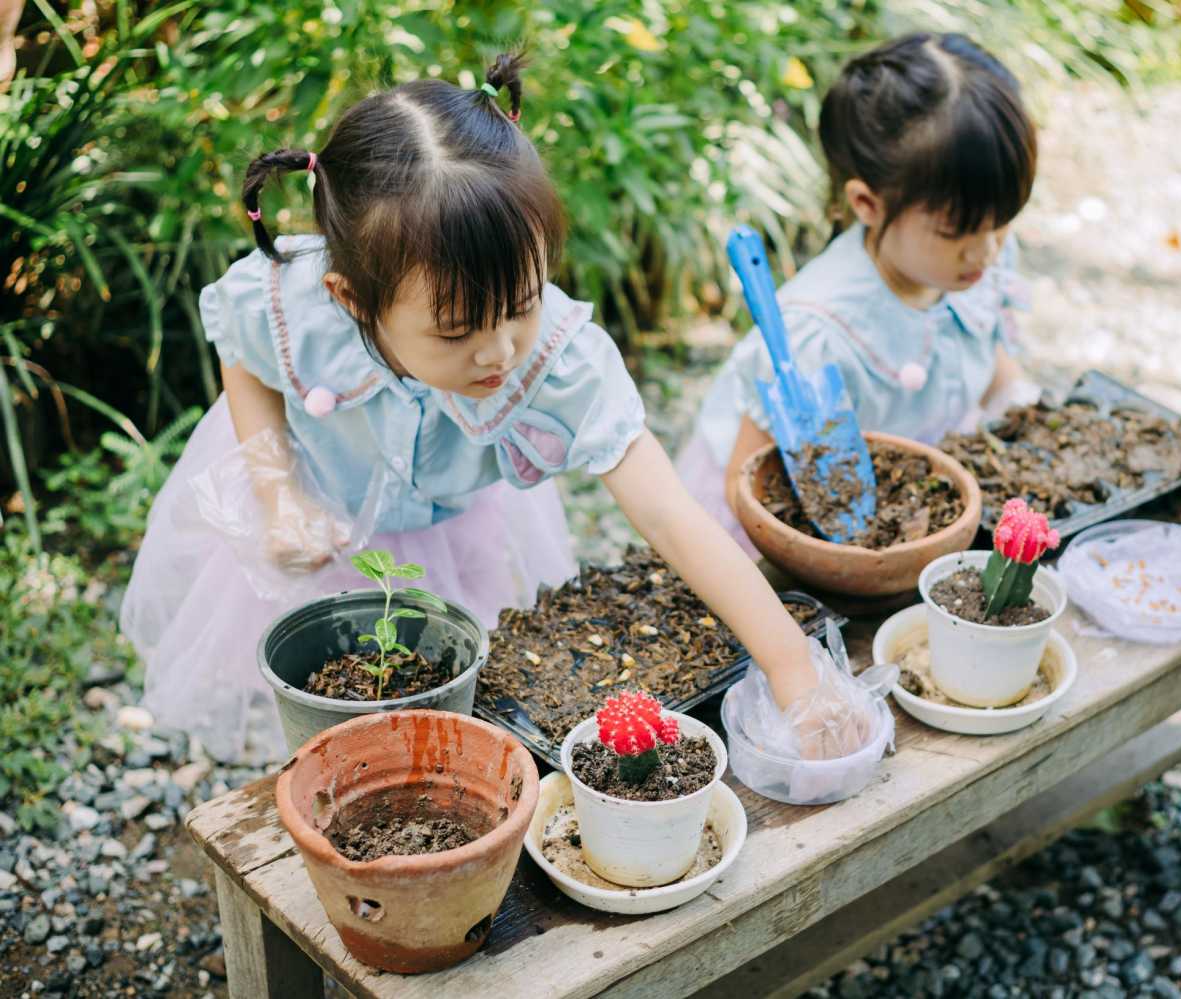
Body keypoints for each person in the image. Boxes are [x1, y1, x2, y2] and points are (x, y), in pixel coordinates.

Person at [122, 55, 855, 762]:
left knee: (444, 691)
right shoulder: (294, 301)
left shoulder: (558, 363)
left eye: (523, 305)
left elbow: (669, 514)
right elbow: (244, 357)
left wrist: (795, 673)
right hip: (324, 510)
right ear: (352, 300)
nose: (500, 352)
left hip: (451, 529)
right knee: (330, 688)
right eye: (456, 331)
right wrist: (277, 493)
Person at [677, 33, 1039, 549]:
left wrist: (1020, 401)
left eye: (1001, 223)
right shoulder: (815, 332)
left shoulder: (971, 263)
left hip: (907, 494)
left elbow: (979, 344)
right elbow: (747, 487)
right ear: (867, 204)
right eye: (956, 232)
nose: (986, 252)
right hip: (780, 532)